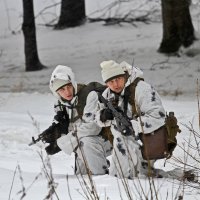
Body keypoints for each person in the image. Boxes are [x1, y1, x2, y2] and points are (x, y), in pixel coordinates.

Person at [95, 60, 166, 179]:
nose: (115, 84)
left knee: (133, 176)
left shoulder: (142, 89)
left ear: (124, 76)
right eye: (111, 81)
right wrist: (103, 116)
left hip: (147, 139)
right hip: (121, 141)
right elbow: (97, 119)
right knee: (118, 176)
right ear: (106, 83)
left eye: (118, 79)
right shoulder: (107, 95)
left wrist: (134, 126)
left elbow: (158, 117)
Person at [42, 65, 112, 175]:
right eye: (62, 89)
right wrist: (58, 131)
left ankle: (102, 177)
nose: (67, 92)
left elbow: (92, 128)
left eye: (68, 86)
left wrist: (61, 144)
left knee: (85, 142)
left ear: (73, 83)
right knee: (82, 176)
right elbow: (73, 129)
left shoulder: (89, 95)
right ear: (56, 92)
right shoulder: (61, 105)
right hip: (84, 144)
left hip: (108, 138)